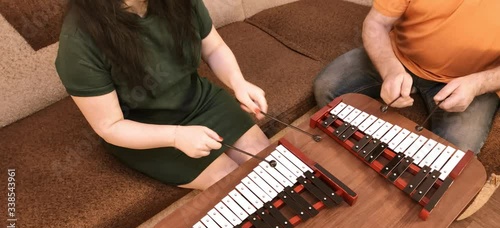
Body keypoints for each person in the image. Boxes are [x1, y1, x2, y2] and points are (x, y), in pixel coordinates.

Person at [55, 0, 270, 190]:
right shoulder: (78, 40)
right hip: (146, 130)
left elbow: (213, 48)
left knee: (266, 163)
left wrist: (238, 83)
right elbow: (109, 126)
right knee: (231, 181)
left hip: (199, 100)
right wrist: (176, 137)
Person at [314, 0, 499, 154]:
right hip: (398, 55)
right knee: (327, 87)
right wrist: (390, 69)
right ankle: (352, 156)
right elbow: (376, 23)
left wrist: (478, 84)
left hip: (472, 79)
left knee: (456, 152)